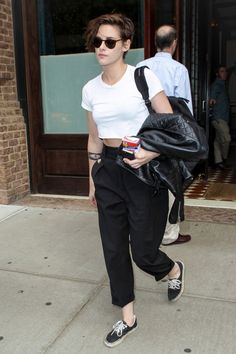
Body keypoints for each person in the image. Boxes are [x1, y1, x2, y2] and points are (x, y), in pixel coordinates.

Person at [81, 13, 185, 348]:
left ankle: (171, 270)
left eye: (110, 41)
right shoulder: (90, 89)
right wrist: (93, 179)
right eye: (97, 40)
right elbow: (94, 139)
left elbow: (169, 125)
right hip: (109, 169)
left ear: (126, 45)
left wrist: (151, 154)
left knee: (142, 250)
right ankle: (128, 316)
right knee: (113, 247)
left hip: (142, 169)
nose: (102, 47)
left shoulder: (143, 78)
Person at [137, 24, 192, 246]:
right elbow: (185, 108)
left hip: (144, 129)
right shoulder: (179, 70)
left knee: (145, 178)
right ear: (174, 43)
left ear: (155, 43)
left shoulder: (140, 66)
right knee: (171, 179)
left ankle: (145, 229)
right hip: (168, 131)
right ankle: (168, 234)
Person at [209, 65, 231, 169]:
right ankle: (224, 158)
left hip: (223, 117)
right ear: (217, 74)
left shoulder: (222, 85)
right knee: (227, 139)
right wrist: (212, 100)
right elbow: (212, 97)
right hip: (218, 118)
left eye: (225, 71)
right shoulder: (217, 85)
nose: (225, 73)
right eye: (222, 71)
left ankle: (218, 162)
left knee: (217, 141)